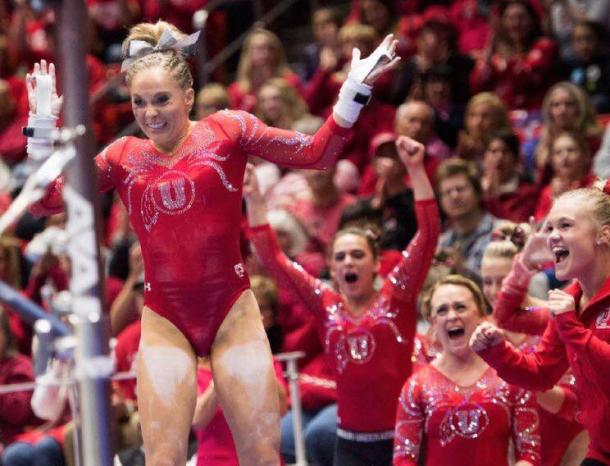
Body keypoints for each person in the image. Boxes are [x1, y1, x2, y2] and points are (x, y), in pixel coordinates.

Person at [23, 20, 400, 466]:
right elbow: (44, 203)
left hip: (231, 311)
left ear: (188, 95)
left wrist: (353, 91)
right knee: (162, 459)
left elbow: (318, 153)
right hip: (165, 317)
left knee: (262, 457)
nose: (150, 114)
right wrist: (42, 123)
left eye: (162, 99)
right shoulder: (123, 156)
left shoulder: (227, 131)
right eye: (140, 103)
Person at [244, 135, 440, 466]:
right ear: (332, 267)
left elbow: (429, 234)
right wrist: (254, 199)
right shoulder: (324, 304)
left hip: (402, 442)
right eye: (341, 257)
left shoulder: (398, 297)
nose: (349, 262)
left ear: (376, 263)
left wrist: (416, 170)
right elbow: (272, 257)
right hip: (349, 446)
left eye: (357, 255)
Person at [471, 180, 610, 465]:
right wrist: (497, 351)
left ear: (604, 235)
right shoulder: (570, 301)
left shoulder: (567, 311)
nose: (553, 237)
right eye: (550, 228)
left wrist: (571, 326)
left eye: (565, 226)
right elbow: (541, 373)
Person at [393, 274, 541, 466]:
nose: (452, 316)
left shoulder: (511, 376)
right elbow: (403, 459)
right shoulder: (416, 386)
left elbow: (530, 453)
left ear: (481, 315)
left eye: (460, 307)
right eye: (442, 310)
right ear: (433, 322)